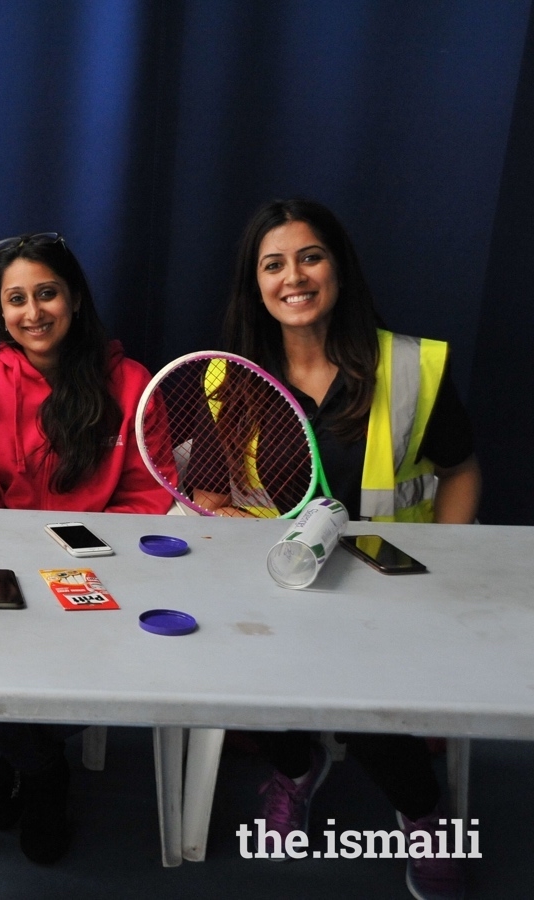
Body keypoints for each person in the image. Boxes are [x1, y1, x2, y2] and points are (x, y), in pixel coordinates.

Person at [224, 198, 481, 900]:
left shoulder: (410, 367)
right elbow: (214, 493)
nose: (294, 277)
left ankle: (424, 814)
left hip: (390, 586)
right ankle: (296, 767)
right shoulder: (229, 379)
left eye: (310, 256)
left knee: (360, 701)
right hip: (276, 590)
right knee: (221, 668)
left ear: (338, 267)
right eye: (273, 264)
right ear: (256, 285)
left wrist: (447, 569)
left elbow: (460, 469)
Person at [0, 232, 175, 864]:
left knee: (117, 659)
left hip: (101, 575)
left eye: (48, 293)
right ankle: (41, 762)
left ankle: (25, 757)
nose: (34, 313)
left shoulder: (133, 383)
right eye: (16, 300)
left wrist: (84, 562)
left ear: (75, 298)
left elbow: (149, 499)